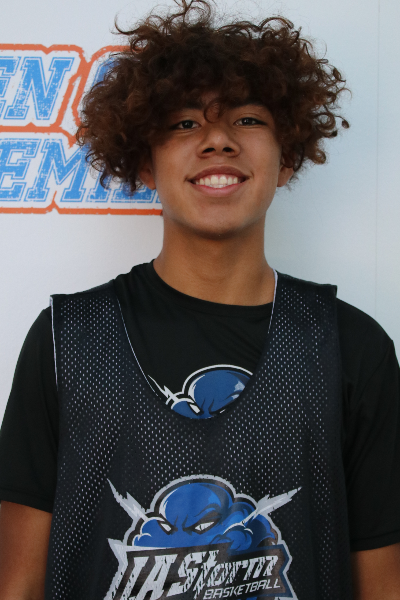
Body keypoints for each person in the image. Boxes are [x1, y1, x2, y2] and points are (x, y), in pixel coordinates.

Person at [0, 1, 399, 598]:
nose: (217, 140)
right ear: (144, 163)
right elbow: (17, 584)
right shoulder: (65, 340)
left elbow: (384, 585)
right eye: (185, 123)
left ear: (287, 158)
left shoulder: (351, 347)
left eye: (247, 119)